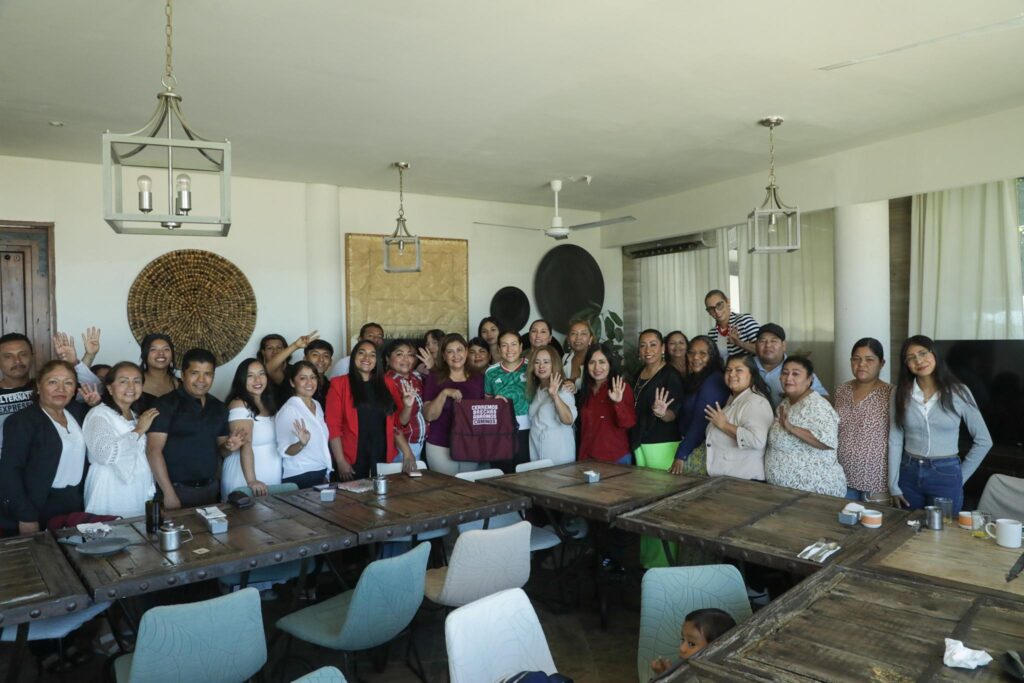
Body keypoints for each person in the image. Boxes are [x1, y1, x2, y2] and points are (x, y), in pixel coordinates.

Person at [889, 335, 991, 514]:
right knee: (906, 526)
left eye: (923, 353)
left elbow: (984, 441)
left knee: (943, 529)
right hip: (908, 474)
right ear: (906, 364)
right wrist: (893, 484)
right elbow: (895, 439)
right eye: (911, 357)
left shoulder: (959, 392)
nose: (918, 361)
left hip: (946, 474)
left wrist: (959, 478)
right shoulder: (899, 394)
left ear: (934, 354)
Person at [0, 361, 90, 534]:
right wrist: (26, 516)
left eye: (68, 383)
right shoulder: (22, 421)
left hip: (75, 502)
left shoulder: (78, 412)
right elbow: (9, 471)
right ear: (39, 387)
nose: (61, 389)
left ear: (74, 389)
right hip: (37, 506)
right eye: (52, 382)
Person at [147, 349, 242, 509]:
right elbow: (153, 450)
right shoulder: (165, 404)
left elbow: (221, 451)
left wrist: (229, 446)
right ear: (183, 375)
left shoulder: (219, 407)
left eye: (207, 374)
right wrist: (168, 493)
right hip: (175, 490)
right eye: (195, 373)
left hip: (211, 489)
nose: (201, 380)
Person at [327, 340, 415, 480]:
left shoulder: (387, 383)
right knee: (350, 494)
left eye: (372, 354)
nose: (367, 358)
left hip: (381, 452)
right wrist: (340, 461)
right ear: (353, 357)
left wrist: (408, 406)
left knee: (381, 492)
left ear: (377, 360)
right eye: (361, 353)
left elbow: (398, 423)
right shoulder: (339, 384)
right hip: (351, 456)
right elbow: (333, 427)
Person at [82, 361, 158, 518]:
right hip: (109, 490)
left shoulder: (136, 416)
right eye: (123, 381)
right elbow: (105, 454)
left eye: (136, 381)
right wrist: (139, 430)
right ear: (110, 388)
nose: (131, 387)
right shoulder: (99, 414)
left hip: (138, 490)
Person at [0, 332, 101, 448]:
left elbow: (95, 390)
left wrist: (74, 362)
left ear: (32, 356)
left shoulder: (50, 388)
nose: (17, 361)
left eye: (23, 354)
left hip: (52, 455)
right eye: (8, 356)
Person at [765, 356, 845, 497]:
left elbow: (828, 442)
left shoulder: (818, 405)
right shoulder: (785, 403)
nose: (789, 378)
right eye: (785, 373)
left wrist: (792, 428)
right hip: (787, 493)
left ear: (809, 379)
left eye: (796, 374)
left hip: (815, 492)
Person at [835, 338, 892, 502]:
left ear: (881, 363)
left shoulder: (891, 394)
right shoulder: (842, 390)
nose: (861, 364)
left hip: (875, 481)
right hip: (842, 476)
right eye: (856, 359)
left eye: (869, 360)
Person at [422, 333, 485, 475]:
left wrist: (497, 401)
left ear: (466, 352)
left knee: (468, 485)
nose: (456, 355)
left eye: (459, 350)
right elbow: (429, 416)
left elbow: (485, 412)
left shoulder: (479, 378)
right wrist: (444, 393)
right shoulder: (435, 377)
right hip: (440, 444)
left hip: (470, 443)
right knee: (445, 487)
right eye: (450, 352)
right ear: (444, 356)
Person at [704, 355, 774, 481]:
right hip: (728, 478)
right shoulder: (734, 398)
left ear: (752, 375)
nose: (732, 374)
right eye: (728, 370)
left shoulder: (755, 402)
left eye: (738, 370)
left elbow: (756, 440)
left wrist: (724, 425)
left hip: (744, 481)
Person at [220, 359, 281, 500]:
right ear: (241, 380)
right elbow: (245, 444)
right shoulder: (239, 404)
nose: (257, 380)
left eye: (261, 374)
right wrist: (252, 481)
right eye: (250, 376)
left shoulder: (268, 403)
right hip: (245, 479)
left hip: (270, 476)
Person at [673, 336, 729, 476]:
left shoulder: (714, 380)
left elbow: (701, 420)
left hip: (700, 449)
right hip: (692, 445)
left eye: (702, 353)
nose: (695, 357)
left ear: (712, 356)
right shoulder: (698, 378)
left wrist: (681, 454)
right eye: (691, 353)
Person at [275, 361, 333, 488]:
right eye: (303, 378)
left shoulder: (316, 405)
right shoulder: (289, 410)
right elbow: (284, 451)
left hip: (319, 472)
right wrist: (301, 444)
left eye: (313, 377)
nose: (309, 382)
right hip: (301, 474)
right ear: (292, 382)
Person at [578, 343, 636, 464]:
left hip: (615, 458)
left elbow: (628, 423)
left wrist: (617, 403)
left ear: (610, 364)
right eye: (592, 362)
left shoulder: (621, 388)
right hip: (588, 458)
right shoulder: (586, 390)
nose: (597, 367)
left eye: (602, 362)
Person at [485, 330, 531, 470]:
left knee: (526, 473)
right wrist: (494, 401)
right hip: (501, 431)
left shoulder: (531, 367)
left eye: (513, 344)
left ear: (521, 347)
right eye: (504, 345)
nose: (509, 349)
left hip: (529, 429)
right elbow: (487, 402)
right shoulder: (491, 372)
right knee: (502, 472)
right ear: (499, 349)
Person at [753, 323, 828, 408]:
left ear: (784, 345)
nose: (768, 345)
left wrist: (797, 397)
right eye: (762, 341)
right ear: (756, 345)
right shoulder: (746, 366)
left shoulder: (798, 368)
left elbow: (825, 400)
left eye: (774, 341)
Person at [526, 345, 576, 465]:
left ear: (554, 364)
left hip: (559, 454)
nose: (541, 366)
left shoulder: (564, 388)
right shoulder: (537, 388)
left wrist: (554, 395)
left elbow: (568, 420)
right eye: (537, 362)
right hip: (536, 452)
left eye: (546, 362)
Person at [650, 608, 737, 676]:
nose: (682, 648)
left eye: (691, 644)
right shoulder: (685, 669)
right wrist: (665, 675)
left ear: (717, 649)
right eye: (683, 640)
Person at [267, 332, 335, 409]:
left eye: (326, 356)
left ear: (330, 362)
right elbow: (268, 369)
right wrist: (295, 345)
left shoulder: (331, 386)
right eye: (315, 355)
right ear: (305, 359)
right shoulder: (292, 374)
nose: (321, 359)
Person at [387, 339, 427, 460]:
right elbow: (391, 423)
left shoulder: (416, 377)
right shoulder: (387, 382)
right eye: (399, 354)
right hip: (401, 447)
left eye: (410, 355)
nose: (406, 359)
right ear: (387, 359)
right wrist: (407, 452)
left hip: (419, 442)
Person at [704, 289, 759, 360]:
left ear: (728, 302)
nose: (716, 311)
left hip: (748, 366)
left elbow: (762, 349)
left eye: (719, 305)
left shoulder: (744, 320)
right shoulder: (711, 333)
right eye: (711, 309)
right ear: (708, 312)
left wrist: (739, 343)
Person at [138, 333, 179, 410]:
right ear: (145, 355)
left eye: (166, 349)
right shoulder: (134, 383)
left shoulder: (181, 385)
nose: (161, 353)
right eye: (153, 349)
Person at [562, 319, 594, 390]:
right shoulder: (564, 359)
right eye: (573, 333)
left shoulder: (596, 361)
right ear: (568, 339)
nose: (578, 338)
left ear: (590, 339)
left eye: (583, 334)